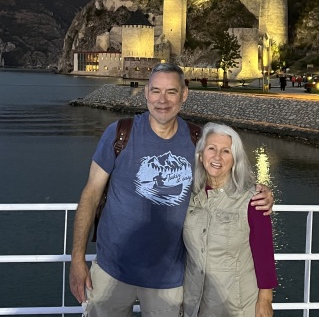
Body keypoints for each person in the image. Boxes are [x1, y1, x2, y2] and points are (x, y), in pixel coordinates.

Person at [69, 63, 274, 317]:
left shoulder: (196, 141)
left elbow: (221, 178)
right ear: (146, 93)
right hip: (112, 271)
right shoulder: (120, 134)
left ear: (184, 94)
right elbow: (90, 194)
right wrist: (77, 259)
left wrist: (259, 191)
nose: (162, 100)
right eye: (156, 91)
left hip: (169, 280)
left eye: (171, 92)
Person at [183, 122, 278, 317]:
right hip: (194, 301)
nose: (217, 157)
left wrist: (265, 299)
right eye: (211, 149)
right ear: (201, 156)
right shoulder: (188, 196)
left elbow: (264, 251)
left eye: (226, 151)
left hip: (236, 305)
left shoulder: (252, 199)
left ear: (235, 159)